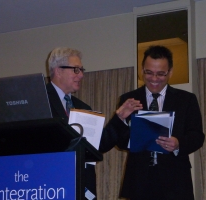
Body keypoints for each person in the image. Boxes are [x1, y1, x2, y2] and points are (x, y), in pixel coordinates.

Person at [109, 45, 205, 199]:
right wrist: (128, 133)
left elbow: (197, 136)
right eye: (149, 73)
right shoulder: (128, 99)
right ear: (142, 70)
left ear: (170, 72)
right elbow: (119, 141)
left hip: (176, 181)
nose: (154, 79)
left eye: (160, 74)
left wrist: (178, 143)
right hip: (139, 180)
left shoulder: (186, 99)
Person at [46, 47, 142, 200]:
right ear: (58, 71)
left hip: (83, 187)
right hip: (50, 185)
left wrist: (119, 118)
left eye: (82, 70)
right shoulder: (40, 101)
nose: (82, 75)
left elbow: (99, 145)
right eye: (76, 70)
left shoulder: (83, 107)